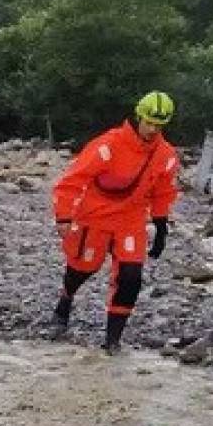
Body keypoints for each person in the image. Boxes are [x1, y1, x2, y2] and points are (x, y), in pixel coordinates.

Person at [49, 91, 181, 353]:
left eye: (159, 125)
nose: (153, 129)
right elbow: (73, 180)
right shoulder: (108, 145)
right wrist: (64, 216)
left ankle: (112, 341)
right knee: (82, 268)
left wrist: (161, 224)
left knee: (131, 277)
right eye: (149, 122)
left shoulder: (165, 155)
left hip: (131, 221)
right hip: (95, 216)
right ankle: (65, 300)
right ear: (139, 116)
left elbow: (164, 190)